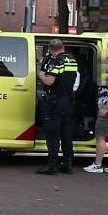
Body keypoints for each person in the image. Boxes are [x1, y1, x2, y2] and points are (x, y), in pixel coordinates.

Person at [36, 39, 79, 175]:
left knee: (52, 133)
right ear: (63, 47)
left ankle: (52, 164)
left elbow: (49, 81)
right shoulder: (71, 60)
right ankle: (68, 163)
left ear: (51, 50)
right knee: (66, 133)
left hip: (55, 102)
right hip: (68, 101)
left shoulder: (56, 61)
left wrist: (41, 74)